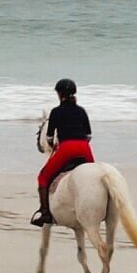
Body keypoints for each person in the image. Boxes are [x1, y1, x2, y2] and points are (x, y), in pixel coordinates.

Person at [32, 78, 94, 226]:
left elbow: (49, 137)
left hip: (67, 148)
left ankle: (45, 213)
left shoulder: (56, 112)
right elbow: (89, 135)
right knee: (92, 178)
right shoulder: (81, 111)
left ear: (60, 94)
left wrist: (53, 144)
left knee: (43, 178)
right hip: (85, 148)